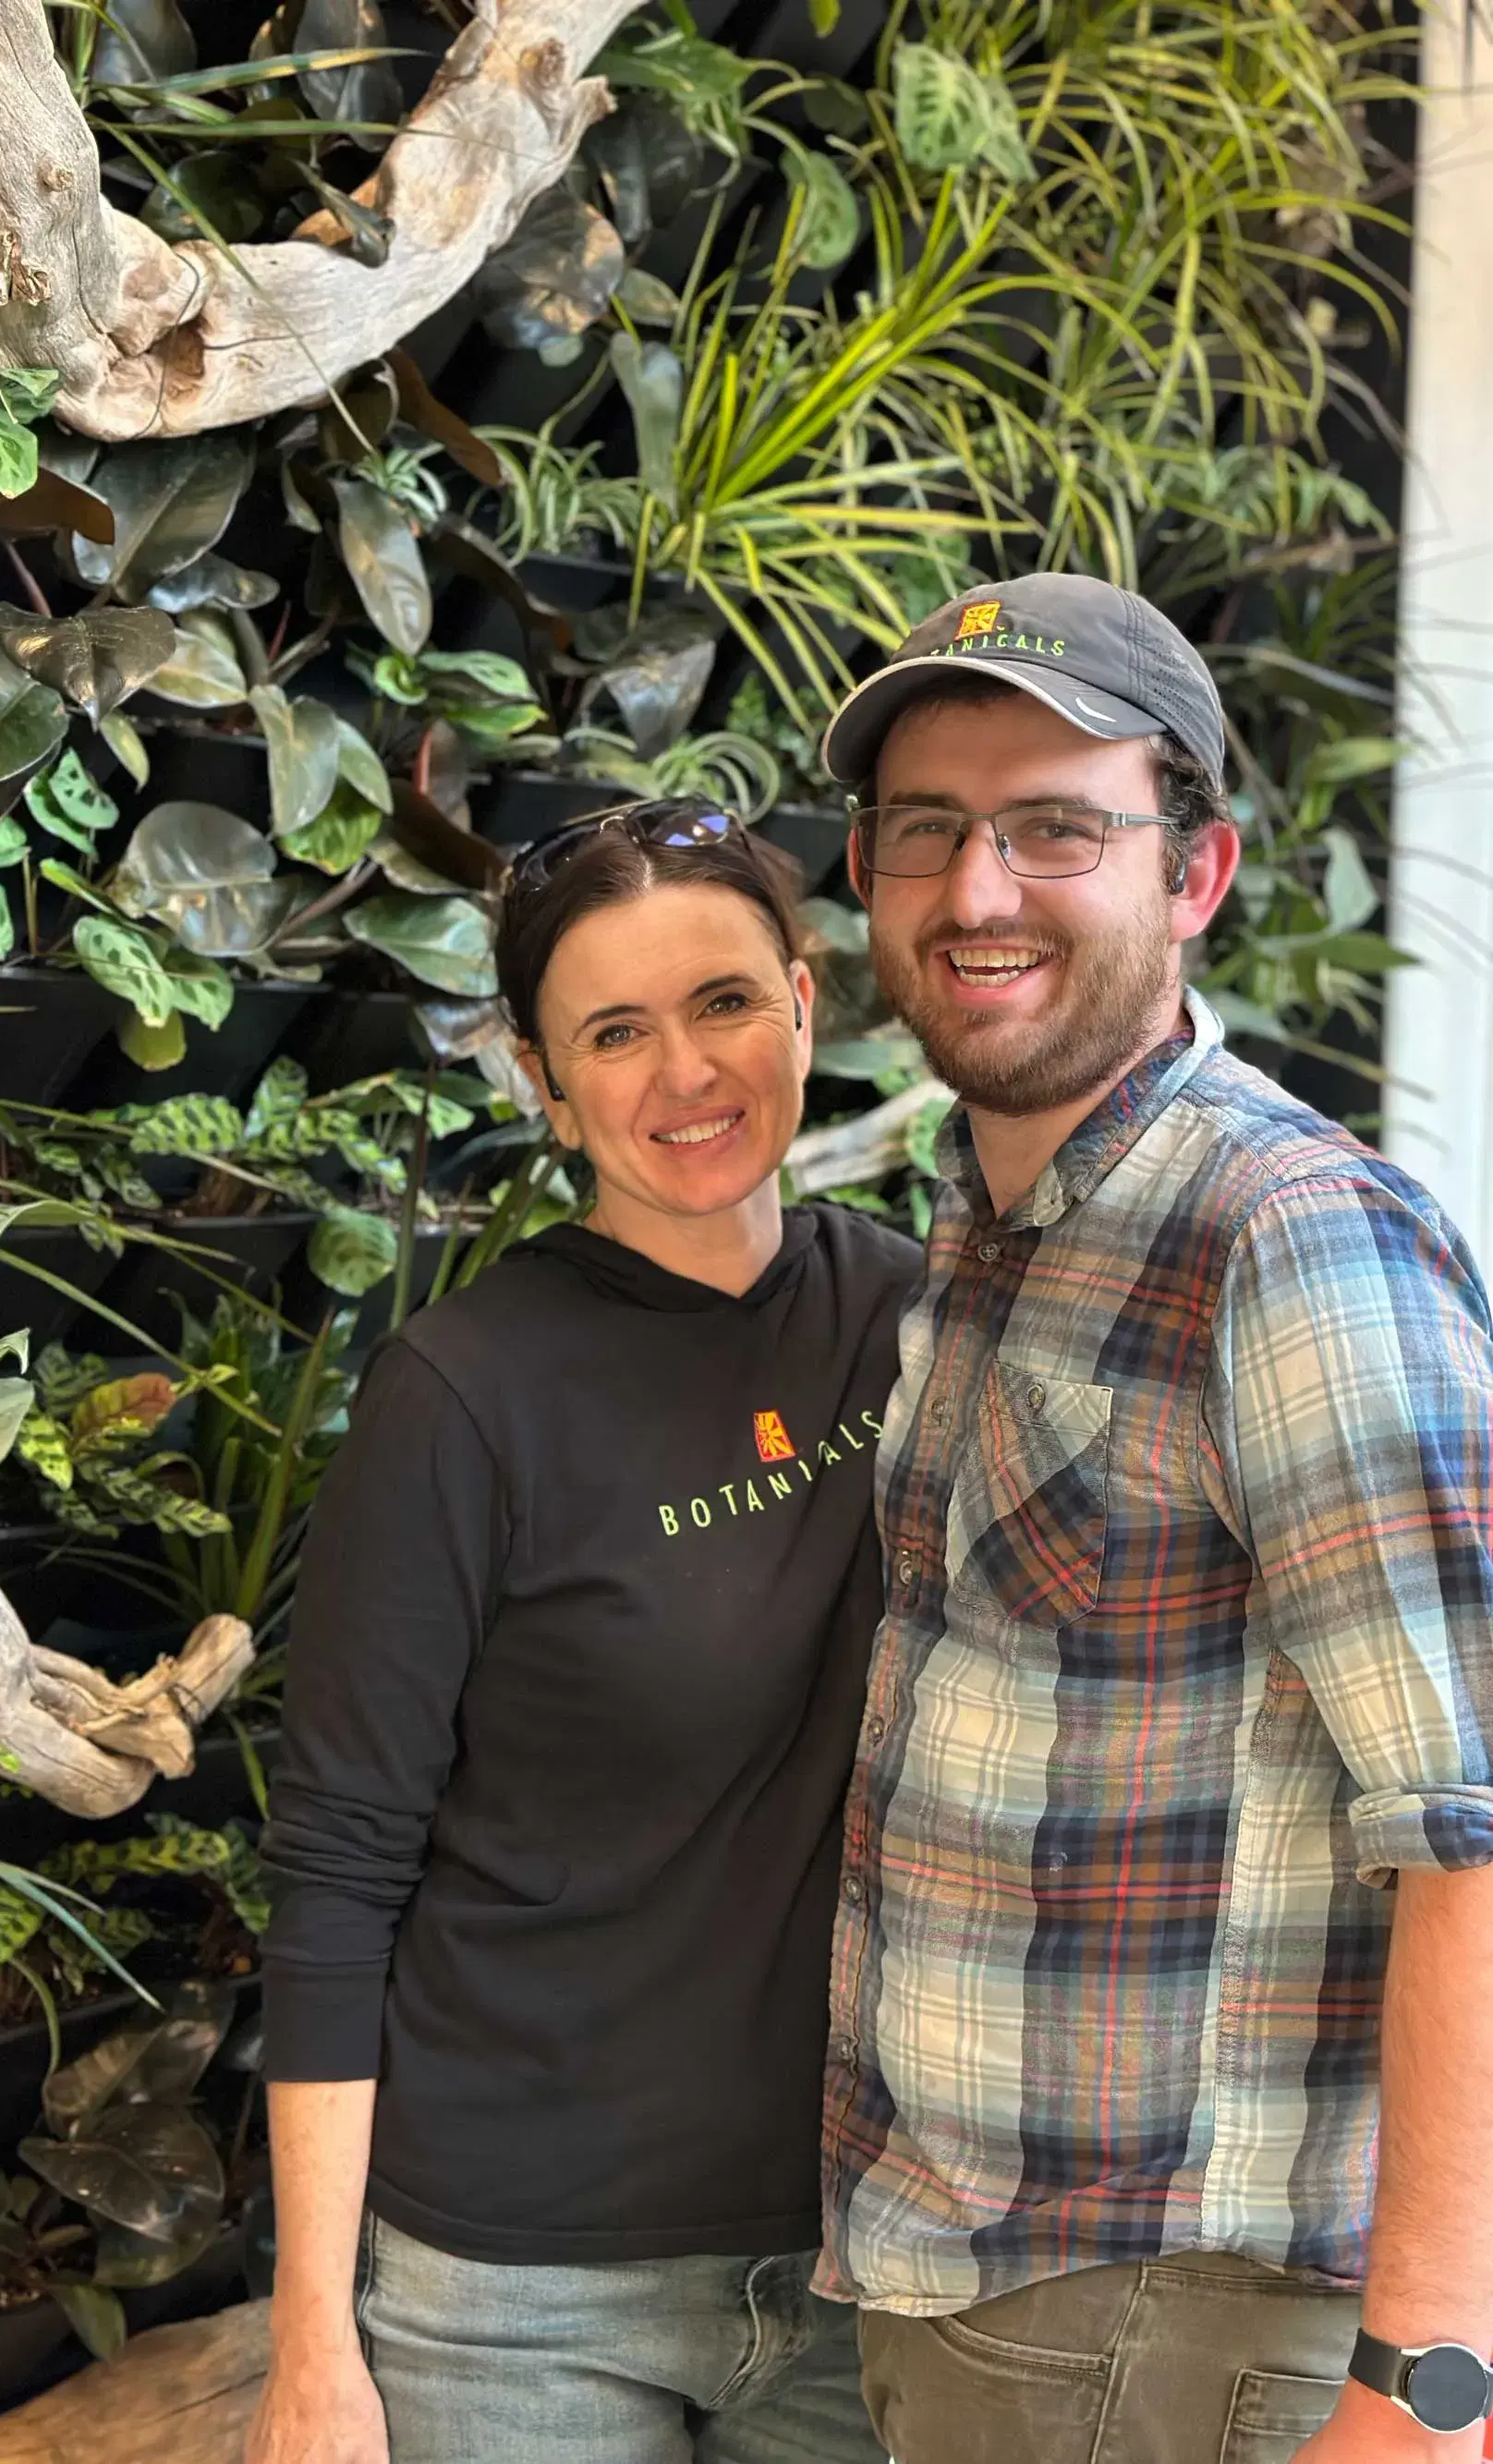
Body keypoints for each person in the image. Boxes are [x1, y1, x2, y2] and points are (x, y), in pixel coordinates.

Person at [813, 572, 1493, 2464]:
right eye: (927, 832)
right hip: (981, 2289)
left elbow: (1472, 1820)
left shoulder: (1281, 1231)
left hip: (1175, 2323)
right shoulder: (979, 1227)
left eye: (1055, 828)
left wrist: (1430, 2384)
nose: (976, 892)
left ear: (1193, 876)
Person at [245, 800, 917, 2464]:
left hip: (862, 2251)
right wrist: (312, 2343)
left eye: (722, 1002)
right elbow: (337, 1870)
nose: (683, 1072)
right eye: (613, 1032)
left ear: (804, 1004)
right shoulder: (464, 1397)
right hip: (515, 2283)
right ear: (545, 1088)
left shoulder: (917, 1316)